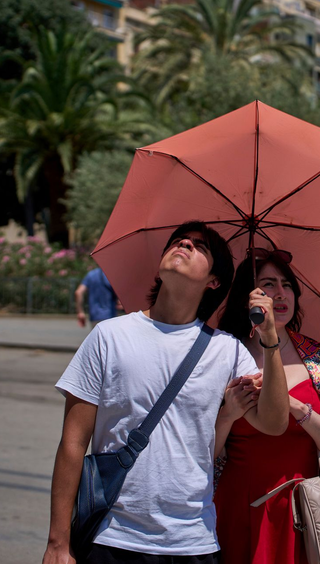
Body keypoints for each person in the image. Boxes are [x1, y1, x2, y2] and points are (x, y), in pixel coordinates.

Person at [42, 221, 290, 564]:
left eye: (199, 247)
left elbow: (275, 422)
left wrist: (270, 339)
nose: (184, 244)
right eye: (178, 240)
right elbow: (72, 443)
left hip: (193, 543)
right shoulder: (109, 336)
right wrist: (58, 542)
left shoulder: (227, 351)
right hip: (111, 537)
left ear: (214, 281)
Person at [215, 248, 320, 564]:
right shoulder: (219, 354)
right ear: (247, 297)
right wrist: (227, 416)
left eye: (287, 284)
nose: (280, 293)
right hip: (240, 507)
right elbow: (197, 453)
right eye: (267, 284)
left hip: (315, 507)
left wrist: (298, 409)